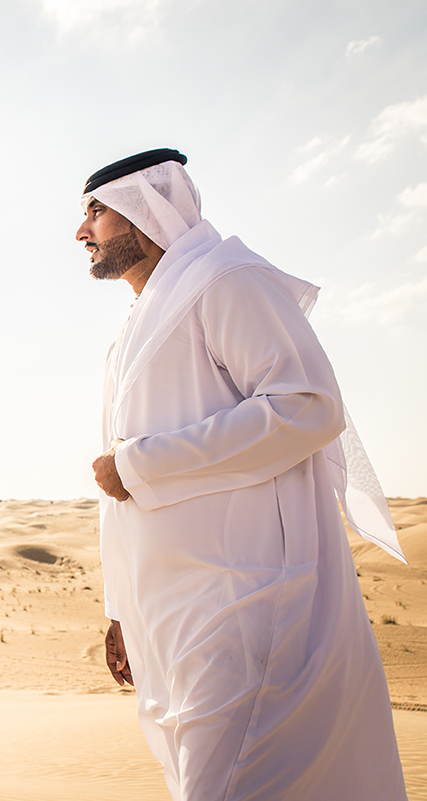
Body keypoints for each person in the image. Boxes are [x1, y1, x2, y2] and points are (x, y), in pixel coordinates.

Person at [78, 148, 407, 800]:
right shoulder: (131, 329)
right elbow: (119, 493)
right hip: (174, 617)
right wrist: (120, 611)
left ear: (145, 213)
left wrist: (142, 465)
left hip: (248, 605)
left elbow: (308, 406)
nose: (81, 232)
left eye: (96, 212)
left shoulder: (227, 282)